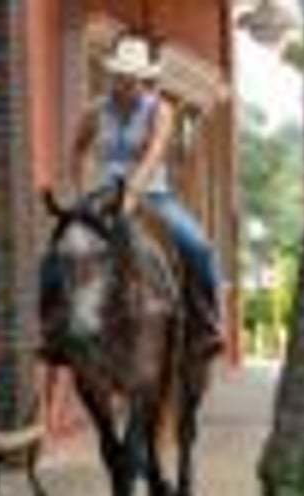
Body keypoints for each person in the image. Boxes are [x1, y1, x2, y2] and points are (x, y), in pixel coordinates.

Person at [69, 32, 224, 356]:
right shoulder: (95, 110)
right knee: (64, 247)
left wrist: (131, 195)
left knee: (199, 247)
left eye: (130, 76)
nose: (123, 82)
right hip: (103, 195)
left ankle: (208, 323)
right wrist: (82, 193)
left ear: (143, 78)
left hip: (153, 195)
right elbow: (78, 151)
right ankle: (57, 327)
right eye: (119, 75)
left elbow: (153, 155)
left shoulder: (159, 111)